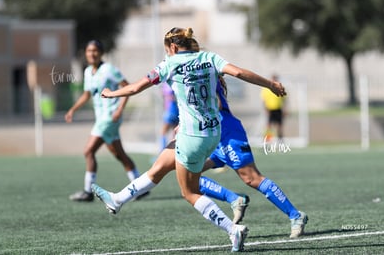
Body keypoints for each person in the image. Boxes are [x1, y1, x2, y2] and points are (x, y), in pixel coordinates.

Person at [95, 27, 286, 252]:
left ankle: (232, 230)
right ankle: (117, 200)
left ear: (173, 48)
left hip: (192, 137)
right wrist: (271, 85)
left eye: (167, 50)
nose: (166, 55)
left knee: (190, 192)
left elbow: (136, 87)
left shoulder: (169, 65)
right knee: (159, 167)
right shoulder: (209, 57)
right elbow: (240, 73)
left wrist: (111, 94)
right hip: (213, 133)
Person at [92, 76, 307, 240]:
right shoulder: (191, 71)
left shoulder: (204, 71)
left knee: (252, 179)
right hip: (207, 135)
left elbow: (213, 103)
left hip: (226, 134)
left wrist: (185, 124)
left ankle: (296, 215)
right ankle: (118, 199)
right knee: (182, 173)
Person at [65, 40, 143, 202]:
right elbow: (87, 95)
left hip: (110, 117)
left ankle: (88, 191)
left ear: (101, 53)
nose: (91, 54)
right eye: (89, 51)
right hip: (102, 118)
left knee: (88, 151)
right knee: (119, 154)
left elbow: (127, 87)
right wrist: (72, 110)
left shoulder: (109, 70)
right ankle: (140, 187)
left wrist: (120, 109)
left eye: (95, 50)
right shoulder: (87, 72)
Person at [261, 74, 286, 141]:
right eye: (273, 78)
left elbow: (284, 99)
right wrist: (266, 109)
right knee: (269, 126)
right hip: (270, 109)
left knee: (279, 126)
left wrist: (285, 109)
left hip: (278, 109)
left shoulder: (280, 88)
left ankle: (280, 141)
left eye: (276, 78)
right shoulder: (266, 89)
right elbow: (264, 100)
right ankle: (266, 140)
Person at [160, 83, 179, 150]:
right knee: (175, 133)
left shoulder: (168, 84)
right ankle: (174, 151)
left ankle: (163, 151)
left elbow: (171, 96)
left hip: (171, 111)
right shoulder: (168, 84)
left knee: (163, 132)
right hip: (176, 111)